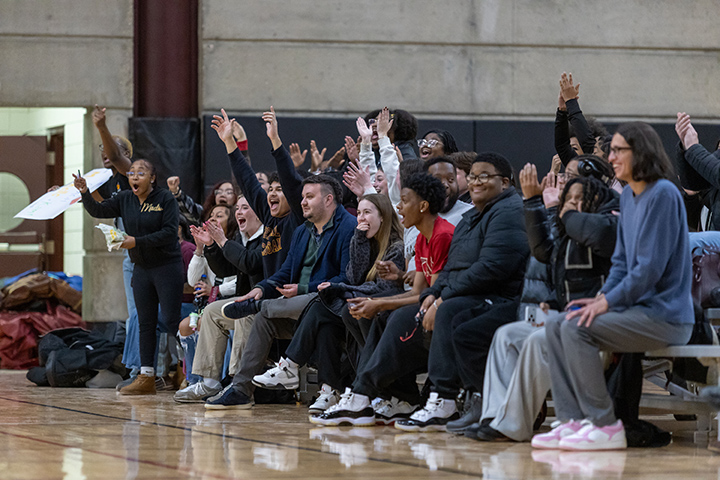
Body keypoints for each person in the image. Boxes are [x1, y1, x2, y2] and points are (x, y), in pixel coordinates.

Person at [532, 122, 693, 451]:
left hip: (666, 317)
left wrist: (604, 304)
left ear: (641, 153)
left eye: (619, 150)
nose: (612, 156)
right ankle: (571, 421)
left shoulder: (662, 193)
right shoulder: (632, 198)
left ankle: (605, 425)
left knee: (576, 329)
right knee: (557, 325)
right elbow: (621, 263)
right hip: (635, 311)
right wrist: (601, 298)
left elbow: (648, 269)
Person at [464, 170, 618, 441]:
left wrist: (563, 212)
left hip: (599, 324)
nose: (572, 203)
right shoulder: (568, 232)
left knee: (538, 340)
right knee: (506, 335)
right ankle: (495, 416)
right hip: (568, 319)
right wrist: (535, 203)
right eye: (568, 198)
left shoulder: (609, 225)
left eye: (580, 198)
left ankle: (512, 425)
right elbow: (543, 251)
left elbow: (600, 270)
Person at [394, 152, 529, 432]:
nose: (475, 182)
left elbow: (492, 268)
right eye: (472, 176)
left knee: (453, 315)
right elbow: (452, 267)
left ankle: (445, 399)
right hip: (477, 294)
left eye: (484, 176)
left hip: (506, 298)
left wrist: (443, 298)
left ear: (505, 182)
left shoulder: (510, 211)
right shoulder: (471, 216)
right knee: (407, 316)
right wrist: (430, 295)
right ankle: (386, 393)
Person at [309, 173, 451, 426]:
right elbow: (415, 290)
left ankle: (362, 393)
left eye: (404, 201)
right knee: (365, 313)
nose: (398, 206)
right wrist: (377, 303)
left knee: (385, 315)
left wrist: (380, 303)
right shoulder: (421, 238)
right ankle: (396, 396)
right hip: (425, 301)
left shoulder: (441, 236)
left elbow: (427, 294)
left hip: (443, 308)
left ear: (423, 206)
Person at [205, 173, 357, 409]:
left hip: (330, 303)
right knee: (263, 319)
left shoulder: (348, 227)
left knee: (278, 309)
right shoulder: (303, 230)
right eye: (302, 197)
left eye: (309, 196)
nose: (303, 201)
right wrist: (260, 288)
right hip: (299, 309)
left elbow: (346, 279)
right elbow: (285, 272)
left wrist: (304, 288)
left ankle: (263, 317)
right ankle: (241, 390)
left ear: (328, 200)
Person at [251, 194, 405, 413]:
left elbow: (383, 289)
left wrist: (341, 289)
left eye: (367, 212)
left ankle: (293, 368)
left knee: (322, 306)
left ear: (384, 216)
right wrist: (359, 242)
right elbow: (354, 276)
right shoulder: (363, 242)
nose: (361, 218)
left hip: (380, 309)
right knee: (325, 323)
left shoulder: (396, 249)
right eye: (359, 212)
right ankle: (327, 389)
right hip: (354, 308)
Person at [74, 159, 184, 395]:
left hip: (167, 266)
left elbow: (168, 233)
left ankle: (189, 371)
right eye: (131, 173)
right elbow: (98, 210)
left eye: (141, 173)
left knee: (172, 320)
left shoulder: (164, 199)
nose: (134, 177)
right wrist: (85, 192)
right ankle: (146, 376)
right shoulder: (125, 199)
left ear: (152, 178)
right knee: (145, 323)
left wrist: (136, 242)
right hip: (142, 269)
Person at [174, 196, 265, 402]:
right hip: (243, 302)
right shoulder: (241, 239)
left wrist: (221, 242)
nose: (239, 212)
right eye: (238, 208)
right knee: (213, 311)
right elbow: (225, 269)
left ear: (260, 214)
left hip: (265, 302)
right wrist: (209, 247)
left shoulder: (267, 238)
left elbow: (249, 264)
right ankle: (209, 382)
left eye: (245, 207)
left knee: (240, 310)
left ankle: (237, 381)